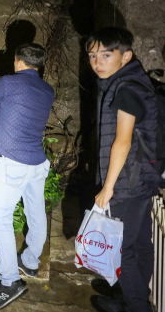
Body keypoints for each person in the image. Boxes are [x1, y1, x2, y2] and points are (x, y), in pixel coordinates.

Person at [0, 43, 55, 311]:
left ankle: (9, 282)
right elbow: (21, 99)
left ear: (18, 61)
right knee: (36, 212)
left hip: (13, 162)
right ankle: (30, 261)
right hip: (37, 162)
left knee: (0, 217)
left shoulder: (7, 83)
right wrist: (1, 85)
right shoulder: (47, 89)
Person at [86, 27, 159, 312]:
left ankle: (136, 307)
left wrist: (108, 187)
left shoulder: (127, 88)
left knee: (124, 249)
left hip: (127, 182)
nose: (97, 61)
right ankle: (133, 299)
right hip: (140, 179)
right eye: (92, 55)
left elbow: (122, 141)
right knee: (140, 244)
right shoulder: (130, 81)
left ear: (125, 56)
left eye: (106, 54)